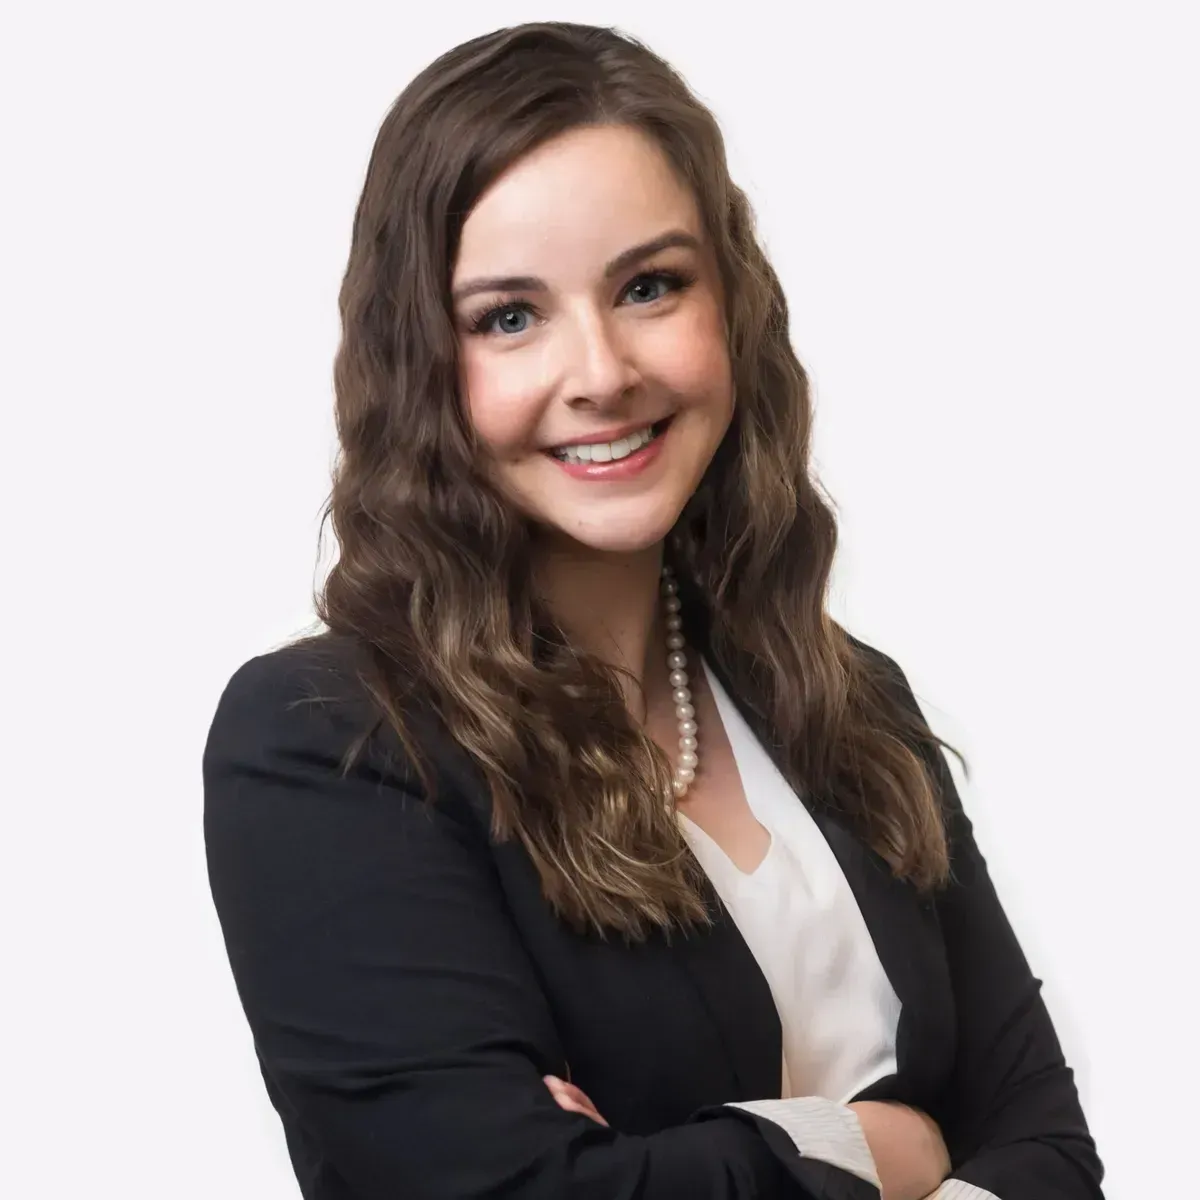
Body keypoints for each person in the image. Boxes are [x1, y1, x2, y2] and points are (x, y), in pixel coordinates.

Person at [202, 20, 1104, 1200]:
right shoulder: (331, 742)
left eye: (649, 286)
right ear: (420, 360)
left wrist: (665, 1159)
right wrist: (871, 1144)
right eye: (509, 317)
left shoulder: (845, 696)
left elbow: (1052, 1152)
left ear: (732, 306)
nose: (603, 371)